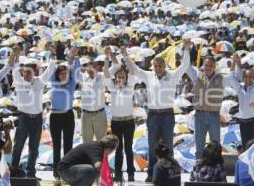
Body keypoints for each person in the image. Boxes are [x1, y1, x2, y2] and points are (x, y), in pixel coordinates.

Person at [126, 40, 191, 182]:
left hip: (167, 114)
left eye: (160, 65)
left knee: (168, 145)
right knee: (152, 146)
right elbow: (135, 69)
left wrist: (186, 49)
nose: (158, 68)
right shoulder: (149, 76)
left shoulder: (173, 76)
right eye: (155, 66)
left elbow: (185, 66)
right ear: (153, 66)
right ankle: (151, 173)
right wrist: (126, 56)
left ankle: (171, 173)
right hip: (153, 114)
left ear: (164, 65)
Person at [10, 47, 56, 178]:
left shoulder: (40, 82)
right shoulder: (18, 82)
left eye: (28, 72)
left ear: (34, 72)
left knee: (34, 148)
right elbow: (14, 67)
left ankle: (31, 172)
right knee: (18, 146)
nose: (26, 74)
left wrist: (52, 53)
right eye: (24, 72)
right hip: (23, 118)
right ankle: (13, 171)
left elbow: (50, 69)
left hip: (37, 119)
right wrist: (16, 54)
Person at [187, 56, 238, 159]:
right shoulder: (197, 76)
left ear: (214, 66)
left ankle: (216, 167)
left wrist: (234, 62)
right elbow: (187, 67)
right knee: (199, 145)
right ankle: (199, 169)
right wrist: (187, 50)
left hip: (214, 115)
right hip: (200, 114)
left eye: (210, 65)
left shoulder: (221, 78)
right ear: (203, 66)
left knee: (215, 144)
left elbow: (232, 77)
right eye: (206, 65)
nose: (208, 67)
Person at [103, 47, 136, 182]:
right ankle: (118, 173)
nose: (121, 78)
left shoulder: (130, 87)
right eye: (118, 76)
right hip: (116, 122)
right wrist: (107, 56)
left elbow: (132, 70)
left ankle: (131, 173)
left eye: (123, 76)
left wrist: (125, 56)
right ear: (115, 78)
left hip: (128, 122)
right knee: (118, 149)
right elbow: (105, 72)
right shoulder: (112, 88)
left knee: (128, 148)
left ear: (126, 78)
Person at [49, 47, 80, 179]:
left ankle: (67, 172)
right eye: (61, 73)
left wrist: (75, 56)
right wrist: (53, 54)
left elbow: (76, 68)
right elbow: (51, 69)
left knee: (68, 145)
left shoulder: (72, 83)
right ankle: (56, 172)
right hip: (55, 116)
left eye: (65, 73)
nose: (63, 75)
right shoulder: (53, 82)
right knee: (56, 145)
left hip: (67, 115)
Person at [78, 47, 118, 143]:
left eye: (94, 66)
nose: (92, 69)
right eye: (89, 67)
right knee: (86, 144)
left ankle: (102, 159)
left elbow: (116, 66)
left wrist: (109, 55)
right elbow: (71, 68)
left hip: (100, 114)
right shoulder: (82, 77)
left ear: (98, 68)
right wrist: (74, 55)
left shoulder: (103, 76)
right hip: (86, 115)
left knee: (102, 144)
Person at [228, 54, 254, 147]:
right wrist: (234, 62)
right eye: (246, 77)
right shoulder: (240, 88)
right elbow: (231, 77)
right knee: (245, 148)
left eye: (251, 77)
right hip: (243, 123)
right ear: (243, 78)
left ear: (253, 78)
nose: (248, 79)